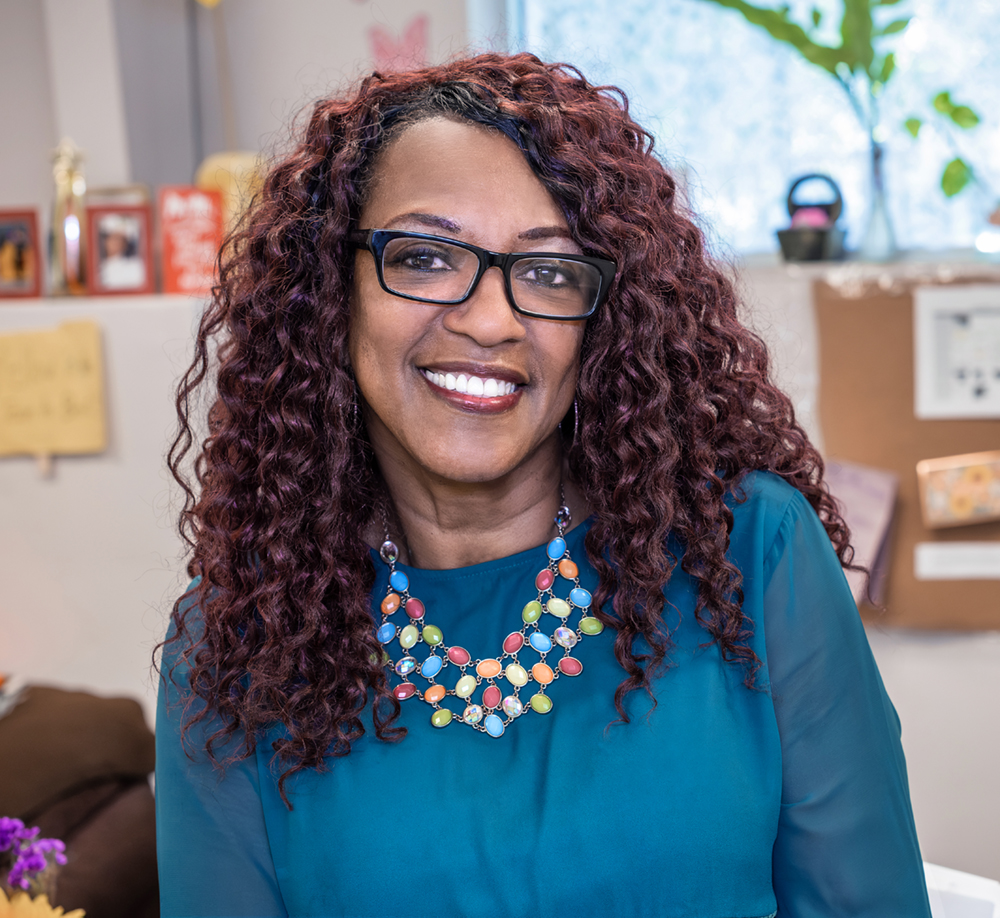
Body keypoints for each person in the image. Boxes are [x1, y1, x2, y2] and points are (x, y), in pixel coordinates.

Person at [156, 53, 932, 917]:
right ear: (329, 293)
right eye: (423, 257)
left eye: (551, 272)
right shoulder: (241, 636)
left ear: (605, 322)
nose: (490, 319)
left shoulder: (748, 553)